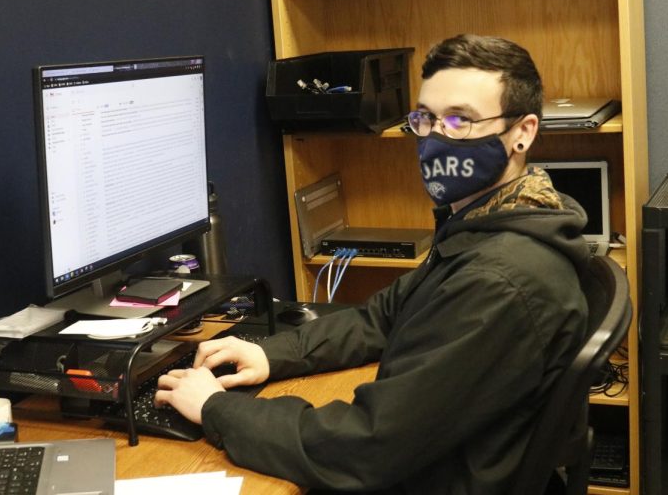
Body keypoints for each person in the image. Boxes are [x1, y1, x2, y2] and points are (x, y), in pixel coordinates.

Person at [155, 34, 590, 494]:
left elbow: (367, 446)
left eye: (460, 120)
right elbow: (383, 317)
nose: (435, 139)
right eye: (425, 119)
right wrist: (270, 353)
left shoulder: (499, 279)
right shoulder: (493, 222)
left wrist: (214, 409)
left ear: (522, 132)